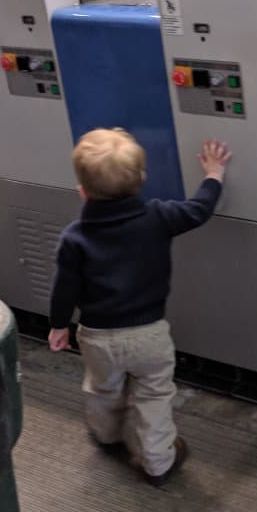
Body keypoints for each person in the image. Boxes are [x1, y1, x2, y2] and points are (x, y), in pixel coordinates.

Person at [48, 128, 231, 486]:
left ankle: (106, 435)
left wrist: (59, 325)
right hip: (149, 334)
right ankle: (158, 461)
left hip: (98, 336)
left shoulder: (75, 237)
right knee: (154, 396)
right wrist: (214, 174)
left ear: (82, 191)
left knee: (103, 388)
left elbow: (64, 289)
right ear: (142, 179)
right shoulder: (158, 217)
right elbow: (198, 210)